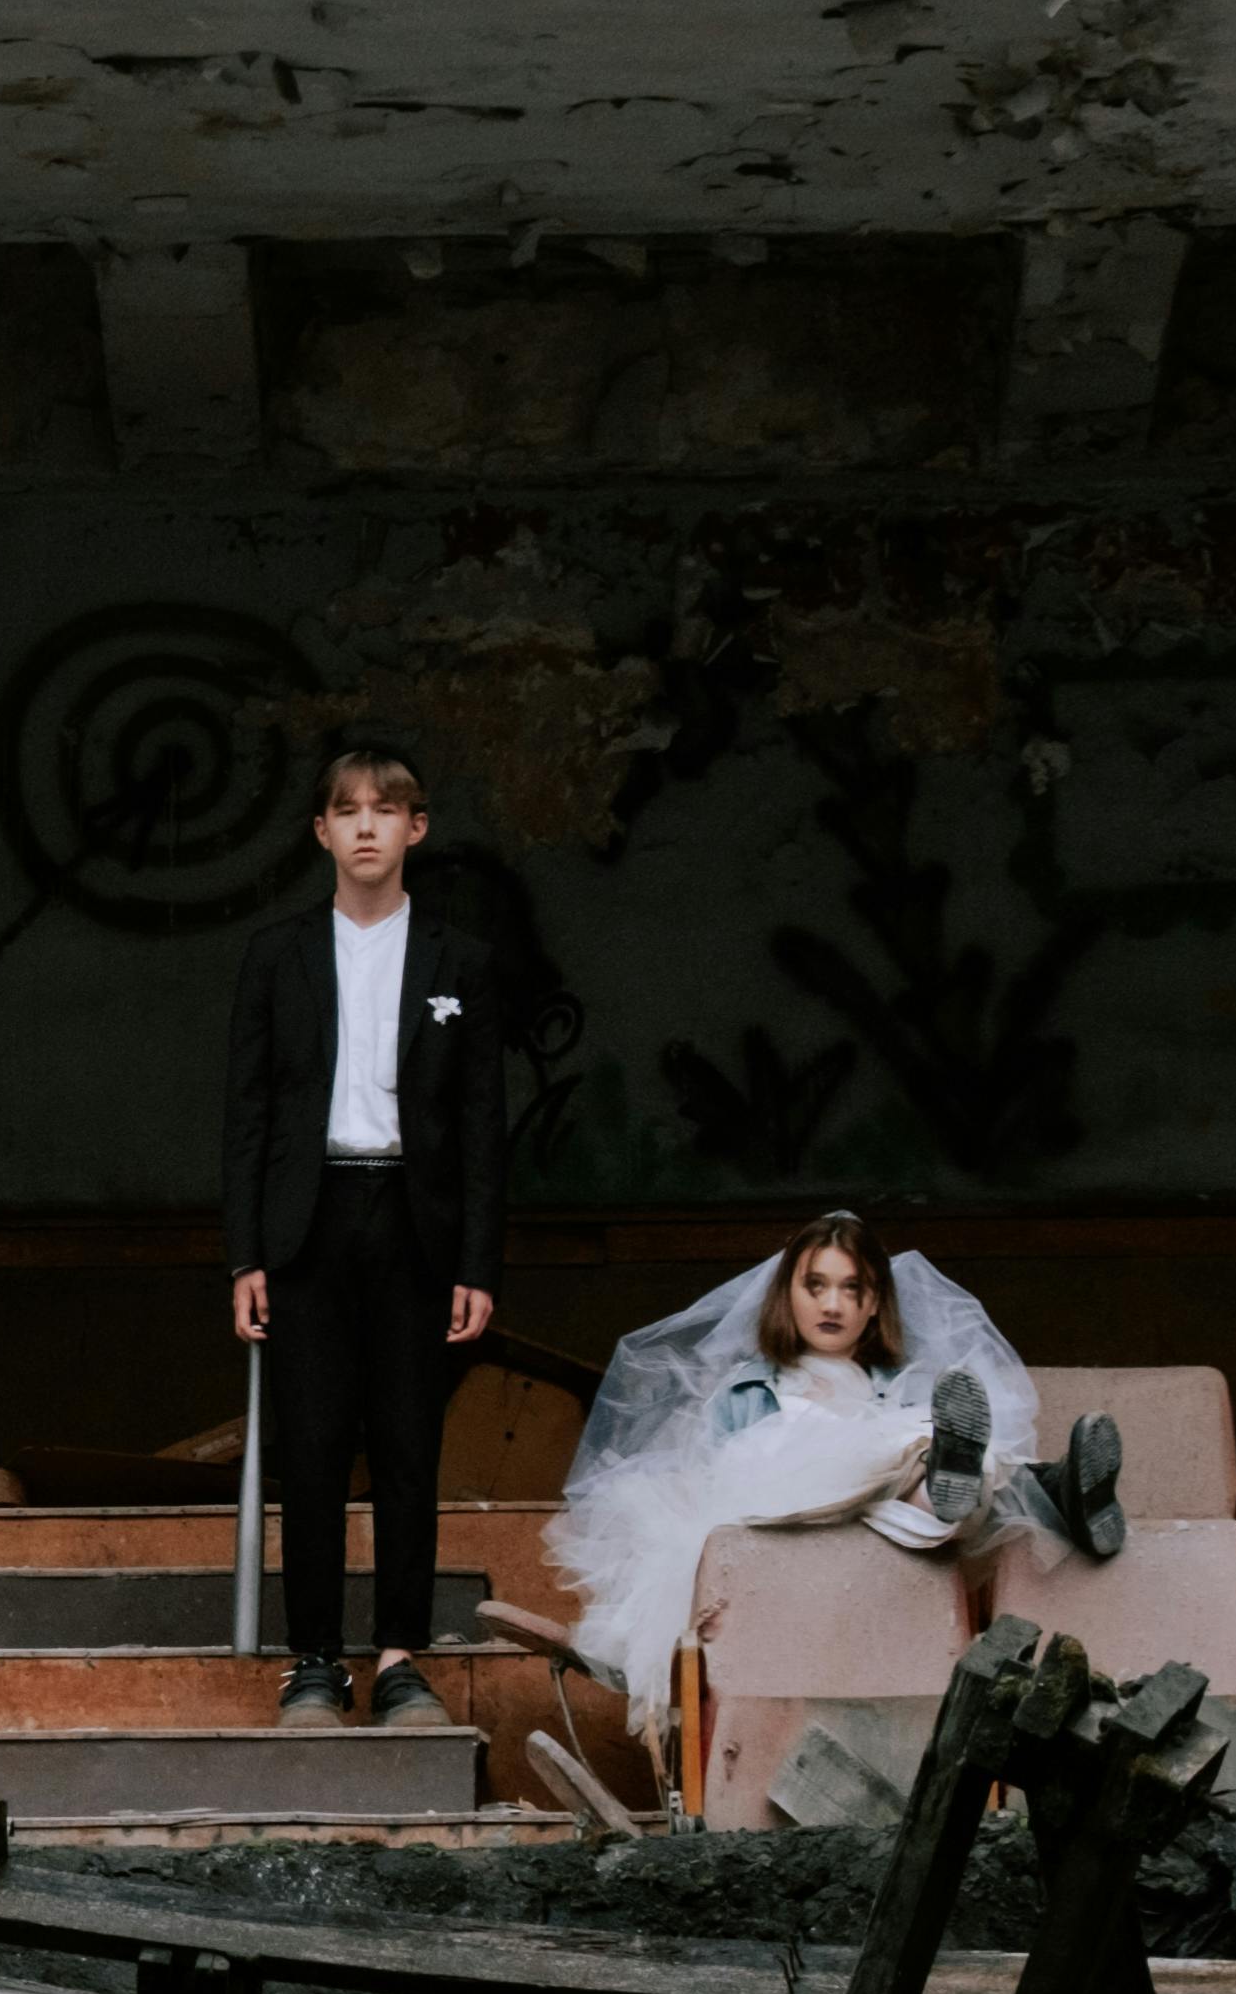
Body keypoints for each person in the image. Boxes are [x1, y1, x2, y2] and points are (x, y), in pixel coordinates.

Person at [543, 1209, 1130, 1713]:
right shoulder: (748, 1393)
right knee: (909, 1449)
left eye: (853, 1289)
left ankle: (1046, 1490)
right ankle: (999, 1485)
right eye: (816, 1286)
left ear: (874, 1304)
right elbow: (722, 1492)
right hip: (798, 1529)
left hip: (895, 1544)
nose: (833, 1304)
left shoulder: (898, 1387)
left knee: (951, 1457)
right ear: (788, 1295)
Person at [223, 739, 513, 1725]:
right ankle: (314, 1659)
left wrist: (479, 1262)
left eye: (384, 810)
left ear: (415, 828)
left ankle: (397, 1658)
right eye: (346, 810)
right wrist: (245, 1254)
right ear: (321, 831)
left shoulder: (461, 959)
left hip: (415, 1221)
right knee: (311, 1445)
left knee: (406, 1444)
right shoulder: (278, 953)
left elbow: (481, 1124)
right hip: (307, 1221)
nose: (365, 827)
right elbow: (248, 1115)